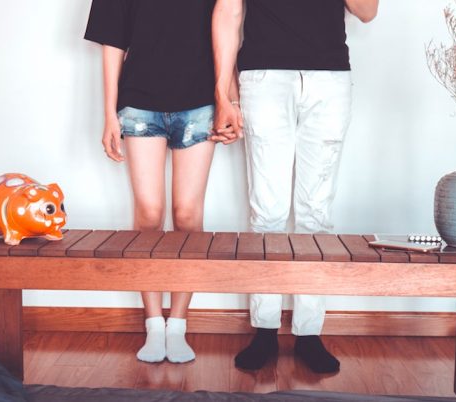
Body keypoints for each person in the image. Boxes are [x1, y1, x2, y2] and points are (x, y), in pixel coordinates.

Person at [211, 0, 379, 373]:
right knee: (267, 211)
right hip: (264, 77)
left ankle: (308, 332)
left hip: (329, 79)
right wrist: (224, 93)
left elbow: (368, 11)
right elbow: (228, 11)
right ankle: (265, 329)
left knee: (315, 214)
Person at [85, 0, 217, 364]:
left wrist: (227, 96)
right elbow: (112, 42)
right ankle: (154, 324)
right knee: (149, 213)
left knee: (188, 215)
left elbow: (228, 27)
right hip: (140, 100)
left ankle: (178, 325)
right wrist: (109, 114)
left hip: (201, 99)